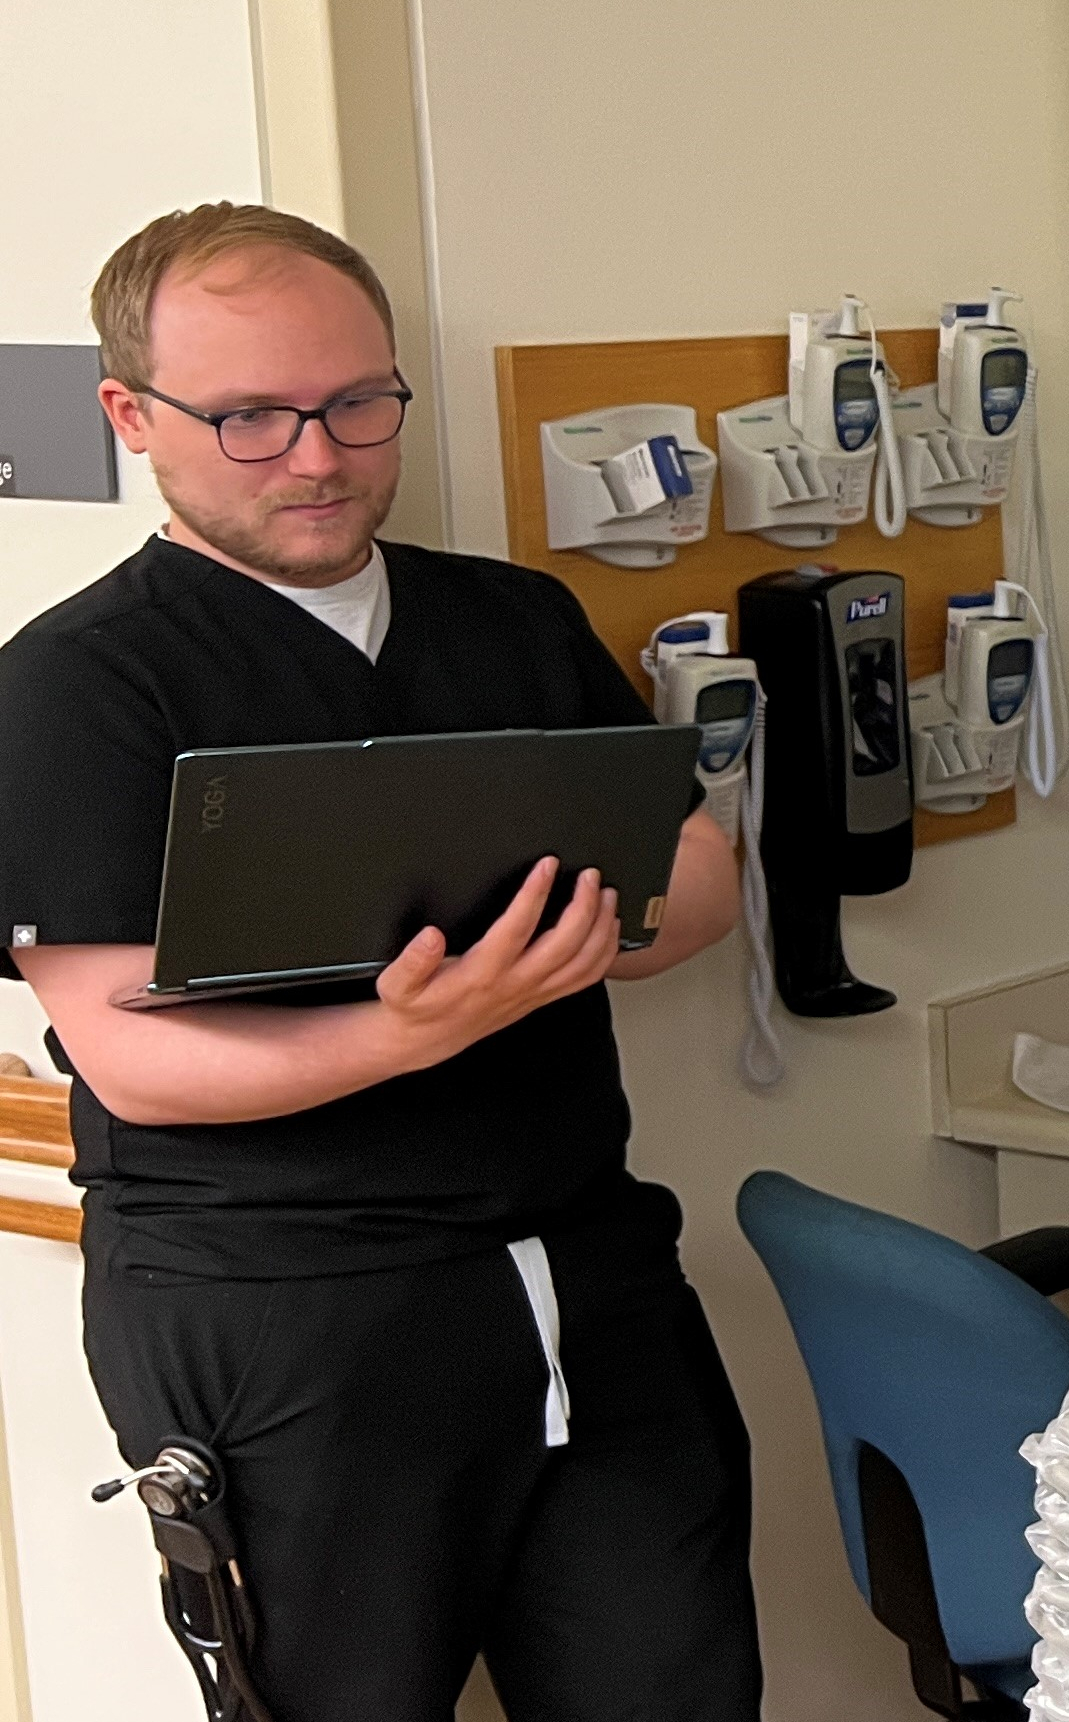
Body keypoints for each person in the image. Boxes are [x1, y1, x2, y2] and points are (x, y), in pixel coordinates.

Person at [0, 204, 759, 1719]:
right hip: (290, 1320)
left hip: (587, 1273)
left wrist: (586, 935)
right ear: (132, 416)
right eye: (250, 417)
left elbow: (696, 875)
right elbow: (134, 1059)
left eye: (356, 402)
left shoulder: (514, 620)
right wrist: (417, 1027)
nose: (316, 455)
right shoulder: (75, 688)